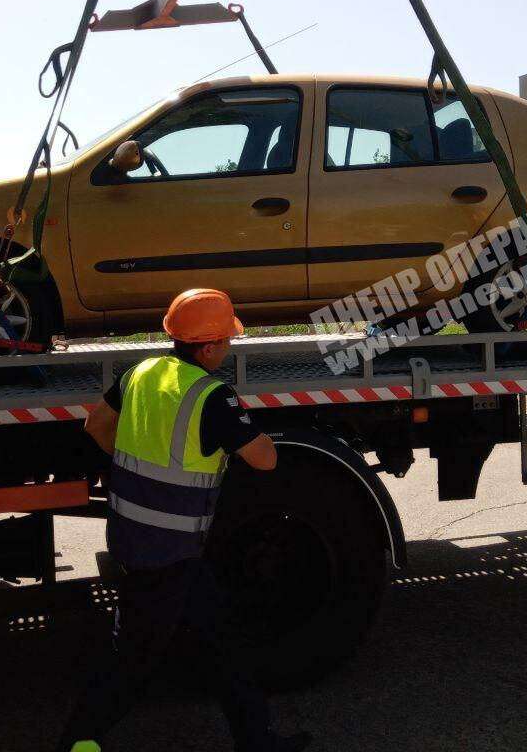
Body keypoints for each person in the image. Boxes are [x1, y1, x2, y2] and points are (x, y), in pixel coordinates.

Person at [58, 288, 311, 752]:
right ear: (209, 346)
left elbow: (95, 425)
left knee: (222, 641)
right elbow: (266, 460)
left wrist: (132, 465)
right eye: (227, 342)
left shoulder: (142, 371)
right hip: (168, 551)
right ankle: (79, 741)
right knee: (134, 658)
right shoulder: (210, 396)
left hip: (145, 540)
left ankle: (256, 739)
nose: (230, 349)